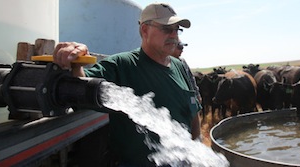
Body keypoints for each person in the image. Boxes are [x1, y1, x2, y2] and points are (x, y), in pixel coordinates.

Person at [53, 2, 202, 167]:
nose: (174, 35)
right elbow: (81, 85)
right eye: (167, 29)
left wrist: (196, 151)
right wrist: (74, 61)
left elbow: (194, 114)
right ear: (145, 30)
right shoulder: (122, 65)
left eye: (177, 29)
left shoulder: (180, 66)